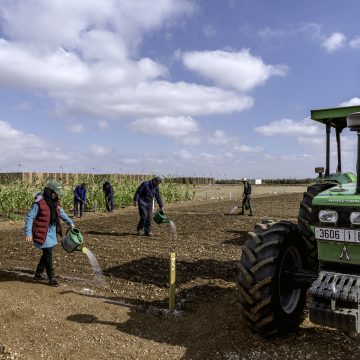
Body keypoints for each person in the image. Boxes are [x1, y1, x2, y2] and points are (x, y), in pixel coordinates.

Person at [24, 180, 74, 286]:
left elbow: (61, 212)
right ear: (50, 191)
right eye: (55, 193)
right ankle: (51, 278)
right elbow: (30, 217)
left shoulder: (55, 202)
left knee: (48, 251)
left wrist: (70, 222)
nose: (57, 196)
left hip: (51, 231)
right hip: (42, 232)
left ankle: (38, 274)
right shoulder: (39, 202)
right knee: (48, 253)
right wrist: (28, 233)